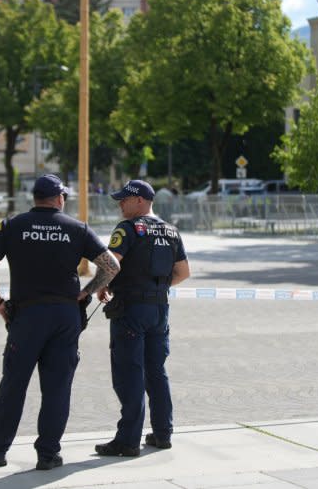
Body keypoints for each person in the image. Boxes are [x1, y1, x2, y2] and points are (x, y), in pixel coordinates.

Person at [0, 174, 120, 470]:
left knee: (13, 385)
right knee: (57, 388)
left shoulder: (12, 225)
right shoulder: (77, 228)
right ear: (58, 198)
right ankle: (48, 454)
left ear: (36, 198)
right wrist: (88, 290)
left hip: (26, 316)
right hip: (65, 316)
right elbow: (111, 266)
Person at [94, 179, 191, 457]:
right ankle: (162, 434)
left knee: (129, 373)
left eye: (125, 199)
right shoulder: (171, 231)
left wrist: (99, 287)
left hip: (131, 312)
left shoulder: (128, 229)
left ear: (140, 201)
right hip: (159, 310)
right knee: (156, 372)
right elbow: (183, 272)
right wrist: (155, 290)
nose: (121, 204)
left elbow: (110, 263)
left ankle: (127, 440)